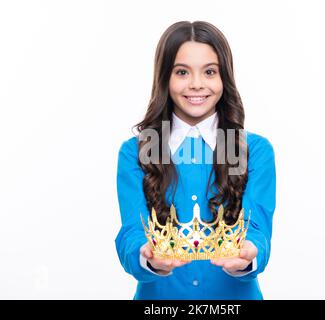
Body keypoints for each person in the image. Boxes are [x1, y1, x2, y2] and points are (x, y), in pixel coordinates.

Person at [114, 21, 276, 300]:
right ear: (165, 77)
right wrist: (147, 257)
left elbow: (257, 228)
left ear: (224, 77)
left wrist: (249, 254)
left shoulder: (252, 150)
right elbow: (132, 231)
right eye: (182, 72)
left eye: (210, 72)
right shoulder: (138, 151)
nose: (197, 84)